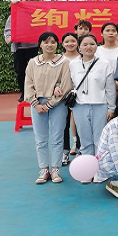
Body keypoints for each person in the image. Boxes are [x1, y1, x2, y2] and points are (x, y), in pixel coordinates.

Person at [24, 32, 72, 184]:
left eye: (53, 42)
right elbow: (28, 84)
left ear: (57, 44)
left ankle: (55, 169)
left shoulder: (64, 62)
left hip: (58, 104)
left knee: (57, 137)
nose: (50, 45)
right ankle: (44, 169)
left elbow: (66, 85)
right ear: (40, 45)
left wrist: (50, 103)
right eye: (46, 42)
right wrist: (35, 104)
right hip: (37, 104)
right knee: (40, 138)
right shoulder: (33, 62)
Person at [69, 34, 116, 162]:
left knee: (99, 139)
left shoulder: (105, 64)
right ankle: (88, 166)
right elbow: (69, 84)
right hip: (79, 106)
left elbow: (110, 88)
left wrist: (111, 108)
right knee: (85, 140)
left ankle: (100, 167)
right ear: (79, 47)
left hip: (100, 106)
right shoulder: (73, 64)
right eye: (85, 44)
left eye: (92, 44)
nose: (88, 47)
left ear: (97, 46)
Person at [4, 0, 39, 101]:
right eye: (25, 1)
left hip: (33, 46)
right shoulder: (13, 16)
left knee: (35, 71)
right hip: (19, 47)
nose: (28, 3)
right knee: (20, 71)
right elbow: (8, 30)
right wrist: (9, 38)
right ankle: (24, 93)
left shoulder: (35, 15)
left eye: (30, 1)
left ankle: (35, 93)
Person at [61, 32, 80, 165]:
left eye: (73, 41)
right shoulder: (59, 59)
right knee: (64, 124)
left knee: (80, 124)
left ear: (77, 43)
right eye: (67, 41)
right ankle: (65, 151)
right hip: (63, 96)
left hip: (80, 96)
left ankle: (79, 149)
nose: (70, 44)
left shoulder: (83, 57)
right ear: (62, 44)